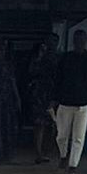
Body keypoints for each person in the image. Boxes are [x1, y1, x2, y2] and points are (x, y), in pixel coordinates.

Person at [52, 29, 87, 174]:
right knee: (61, 135)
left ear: (85, 41)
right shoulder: (65, 58)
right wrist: (54, 99)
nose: (80, 42)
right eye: (77, 40)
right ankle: (63, 156)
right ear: (73, 41)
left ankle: (73, 166)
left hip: (83, 102)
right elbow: (57, 79)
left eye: (82, 40)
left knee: (78, 137)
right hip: (65, 101)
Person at [28, 36, 59, 164]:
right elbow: (31, 72)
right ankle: (39, 152)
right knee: (39, 124)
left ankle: (47, 152)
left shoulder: (57, 59)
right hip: (39, 94)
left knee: (52, 125)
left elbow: (59, 77)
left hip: (52, 94)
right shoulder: (38, 58)